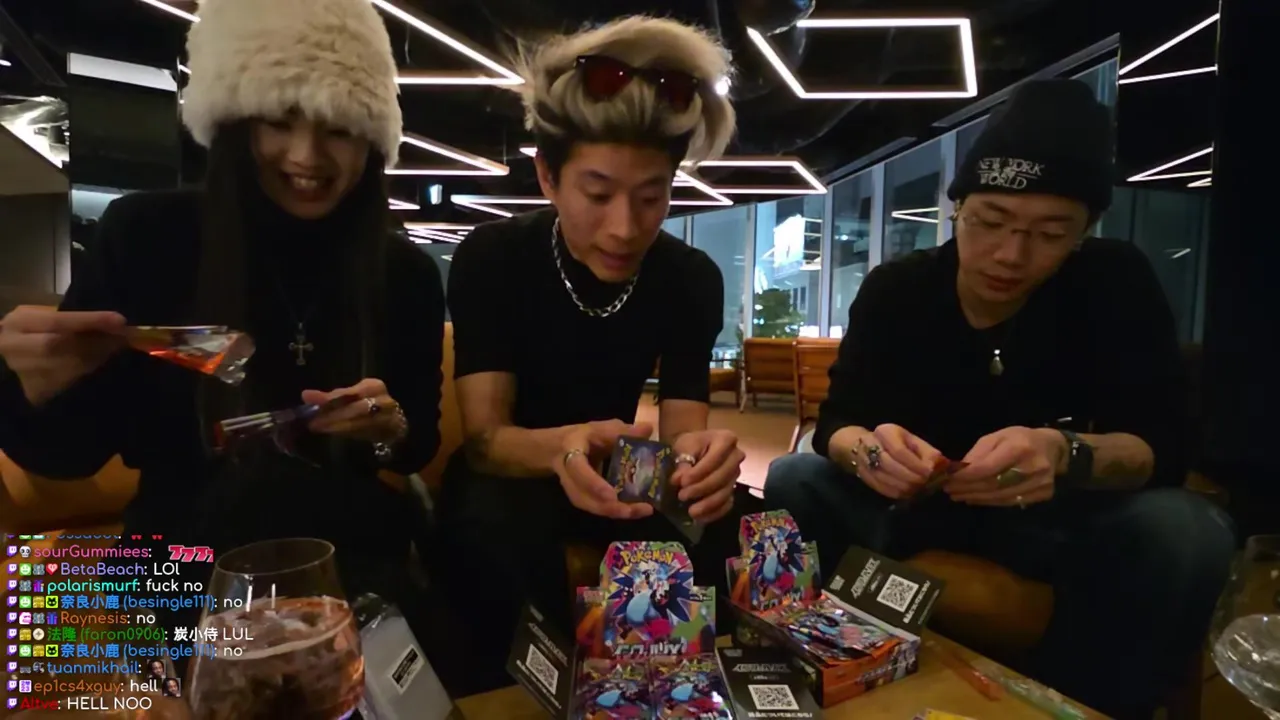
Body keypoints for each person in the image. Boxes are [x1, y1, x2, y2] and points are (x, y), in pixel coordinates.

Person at [764, 80, 1235, 720]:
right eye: (989, 222)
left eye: (1050, 233)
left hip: (1058, 525)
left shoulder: (1115, 282)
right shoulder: (898, 289)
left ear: (1085, 231)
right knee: (795, 476)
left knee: (1186, 530)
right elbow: (838, 424)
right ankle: (841, 654)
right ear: (955, 208)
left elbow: (1165, 446)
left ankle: (1088, 703)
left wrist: (1066, 453)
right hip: (914, 514)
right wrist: (869, 453)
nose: (1010, 255)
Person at [0, 0, 442, 624]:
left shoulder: (404, 272)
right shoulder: (147, 237)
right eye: (279, 120)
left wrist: (387, 430)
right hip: (178, 565)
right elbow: (71, 456)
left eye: (339, 129)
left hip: (348, 561)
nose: (308, 155)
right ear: (236, 126)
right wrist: (31, 389)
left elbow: (415, 447)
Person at [436, 16, 745, 689]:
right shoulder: (493, 257)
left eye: (652, 197)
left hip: (625, 472)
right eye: (597, 194)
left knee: (735, 527)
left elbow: (682, 437)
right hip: (513, 472)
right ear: (547, 176)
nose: (624, 228)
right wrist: (563, 446)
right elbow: (486, 441)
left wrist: (702, 465)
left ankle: (683, 694)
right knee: (490, 540)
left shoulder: (691, 277)